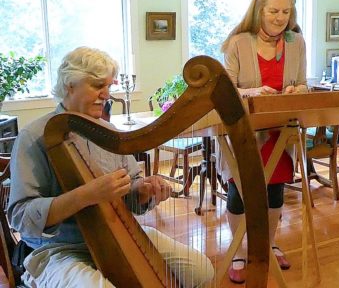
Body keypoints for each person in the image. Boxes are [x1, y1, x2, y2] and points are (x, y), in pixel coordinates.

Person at [7, 46, 214, 288]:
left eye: (108, 86)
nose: (106, 95)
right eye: (97, 86)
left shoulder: (110, 133)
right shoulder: (34, 136)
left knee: (201, 271)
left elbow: (132, 193)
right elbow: (20, 216)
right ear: (70, 84)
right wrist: (86, 195)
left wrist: (144, 190)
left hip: (116, 238)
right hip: (56, 249)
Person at [218, 0, 308, 284]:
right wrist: (253, 92)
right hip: (243, 132)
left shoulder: (297, 42)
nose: (281, 17)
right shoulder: (238, 43)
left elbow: (304, 83)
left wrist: (298, 90)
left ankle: (267, 245)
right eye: (274, 11)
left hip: (280, 131)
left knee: (274, 190)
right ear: (259, 11)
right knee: (239, 191)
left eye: (286, 11)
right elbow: (225, 90)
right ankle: (241, 251)